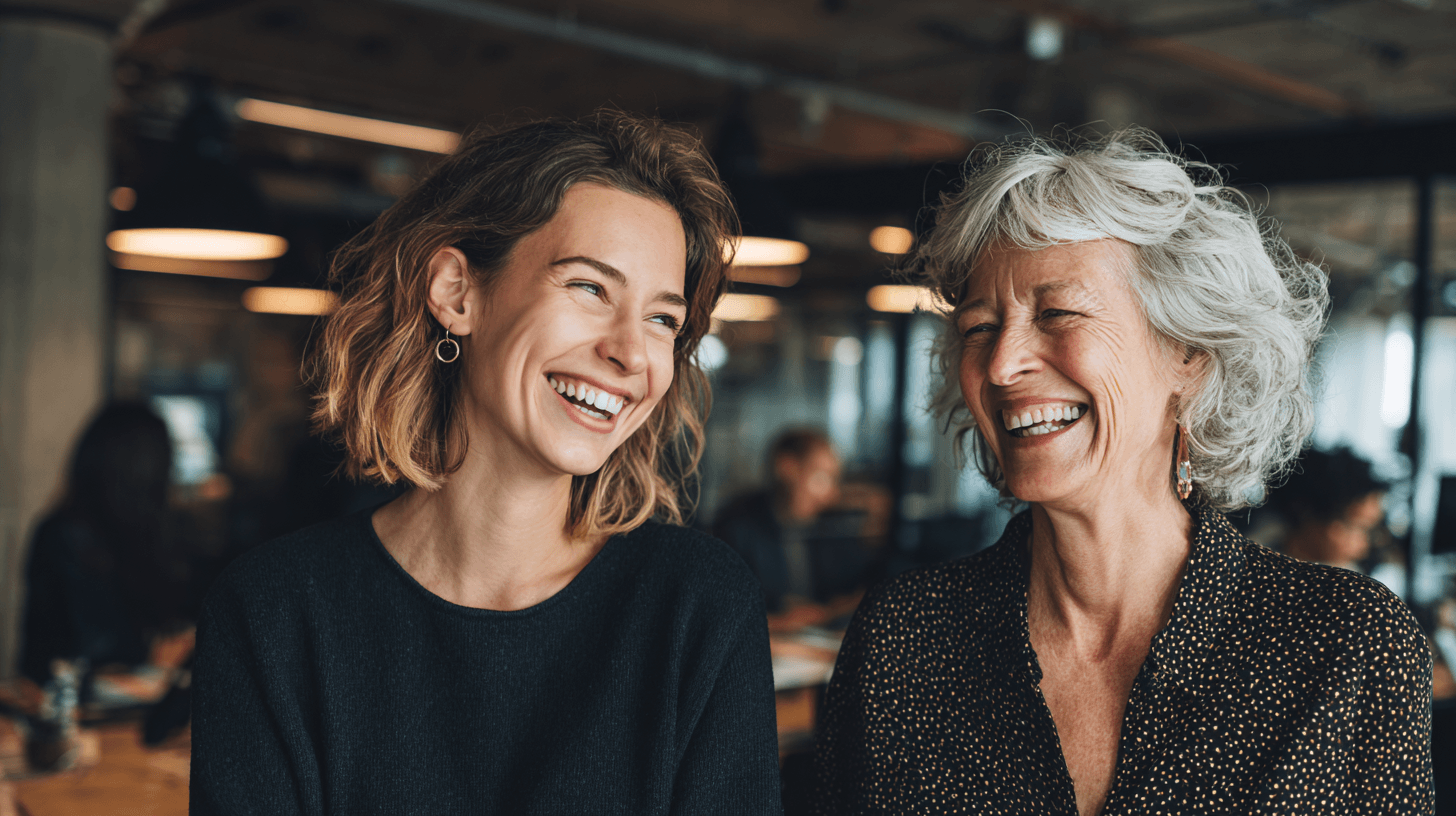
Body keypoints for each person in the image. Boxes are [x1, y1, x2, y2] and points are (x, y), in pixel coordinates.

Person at [813, 130, 1434, 814]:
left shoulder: (1347, 645)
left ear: (1189, 354)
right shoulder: (904, 639)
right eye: (979, 328)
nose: (1001, 365)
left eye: (1057, 313)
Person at [190, 111, 782, 815]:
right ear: (456, 292)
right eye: (590, 288)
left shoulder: (699, 608)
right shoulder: (274, 614)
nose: (630, 353)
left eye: (662, 320)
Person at [19, 402, 190, 690]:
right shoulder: (69, 536)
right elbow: (93, 650)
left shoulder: (140, 536)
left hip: (103, 701)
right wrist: (159, 657)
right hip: (62, 700)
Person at [715, 428, 867, 629]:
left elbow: (856, 589)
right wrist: (784, 621)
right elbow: (722, 612)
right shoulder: (736, 526)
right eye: (821, 478)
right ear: (787, 468)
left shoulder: (832, 526)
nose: (831, 495)